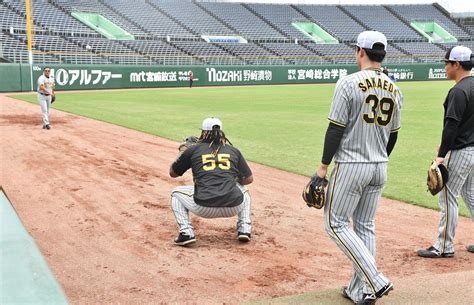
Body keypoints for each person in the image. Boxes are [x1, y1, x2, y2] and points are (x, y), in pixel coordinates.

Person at [308, 31, 403, 304]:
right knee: (364, 225)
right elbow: (393, 134)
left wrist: (323, 168)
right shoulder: (395, 88)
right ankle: (359, 289)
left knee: (334, 224)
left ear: (360, 51)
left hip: (351, 164)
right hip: (380, 165)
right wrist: (379, 157)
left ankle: (375, 280)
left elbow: (335, 129)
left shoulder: (348, 83)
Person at [417, 46, 474, 258]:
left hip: (460, 151)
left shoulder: (459, 91)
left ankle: (443, 246)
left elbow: (451, 125)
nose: (445, 67)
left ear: (456, 65)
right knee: (471, 194)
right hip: (473, 150)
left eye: (447, 63)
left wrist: (441, 155)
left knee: (448, 196)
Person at [169, 117, 253, 246]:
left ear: (203, 132)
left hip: (203, 208)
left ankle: (186, 232)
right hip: (233, 207)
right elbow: (249, 179)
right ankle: (244, 229)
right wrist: (232, 179)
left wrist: (183, 151)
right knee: (244, 191)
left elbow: (173, 173)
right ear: (221, 132)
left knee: (176, 193)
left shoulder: (193, 150)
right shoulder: (233, 150)